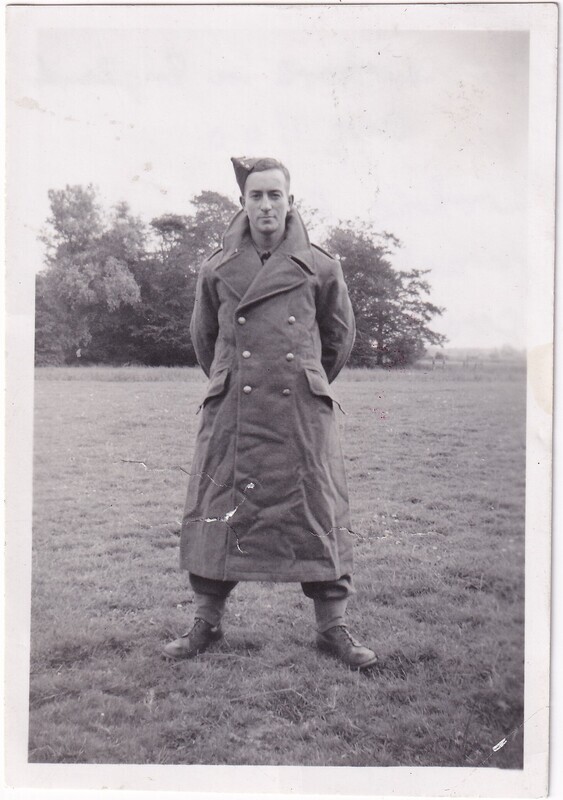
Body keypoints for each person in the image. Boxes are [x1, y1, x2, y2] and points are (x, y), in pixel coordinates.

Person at [164, 157, 376, 669]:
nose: (265, 205)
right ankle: (205, 622)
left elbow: (337, 341)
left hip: (299, 414)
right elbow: (205, 340)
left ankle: (333, 628)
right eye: (255, 196)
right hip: (234, 411)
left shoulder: (322, 267)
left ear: (290, 202)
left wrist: (302, 381)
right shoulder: (215, 267)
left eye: (274, 195)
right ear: (242, 203)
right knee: (220, 510)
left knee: (316, 511)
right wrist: (234, 381)